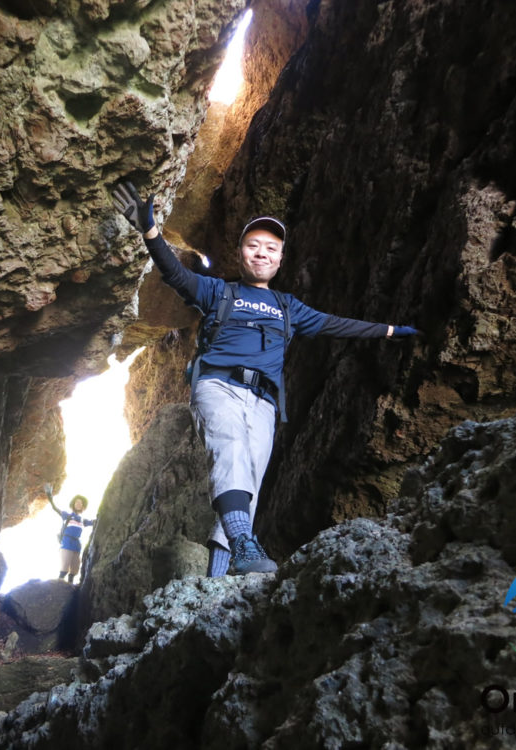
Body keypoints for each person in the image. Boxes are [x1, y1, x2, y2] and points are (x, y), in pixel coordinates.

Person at [112, 182, 418, 576]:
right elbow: (175, 274)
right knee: (231, 452)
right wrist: (150, 231)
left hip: (264, 403)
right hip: (217, 385)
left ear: (280, 260)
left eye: (271, 248)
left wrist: (393, 331)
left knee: (249, 484)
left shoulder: (289, 307)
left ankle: (218, 579)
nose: (262, 252)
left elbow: (338, 324)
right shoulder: (217, 291)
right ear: (240, 253)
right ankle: (244, 547)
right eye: (253, 245)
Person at [48, 491, 95, 583]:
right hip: (66, 543)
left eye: (81, 503)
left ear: (83, 506)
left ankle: (70, 586)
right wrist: (50, 496)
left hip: (77, 546)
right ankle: (58, 585)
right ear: (73, 504)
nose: (78, 504)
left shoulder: (82, 520)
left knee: (74, 570)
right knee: (64, 569)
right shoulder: (67, 516)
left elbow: (94, 522)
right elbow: (55, 508)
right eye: (77, 502)